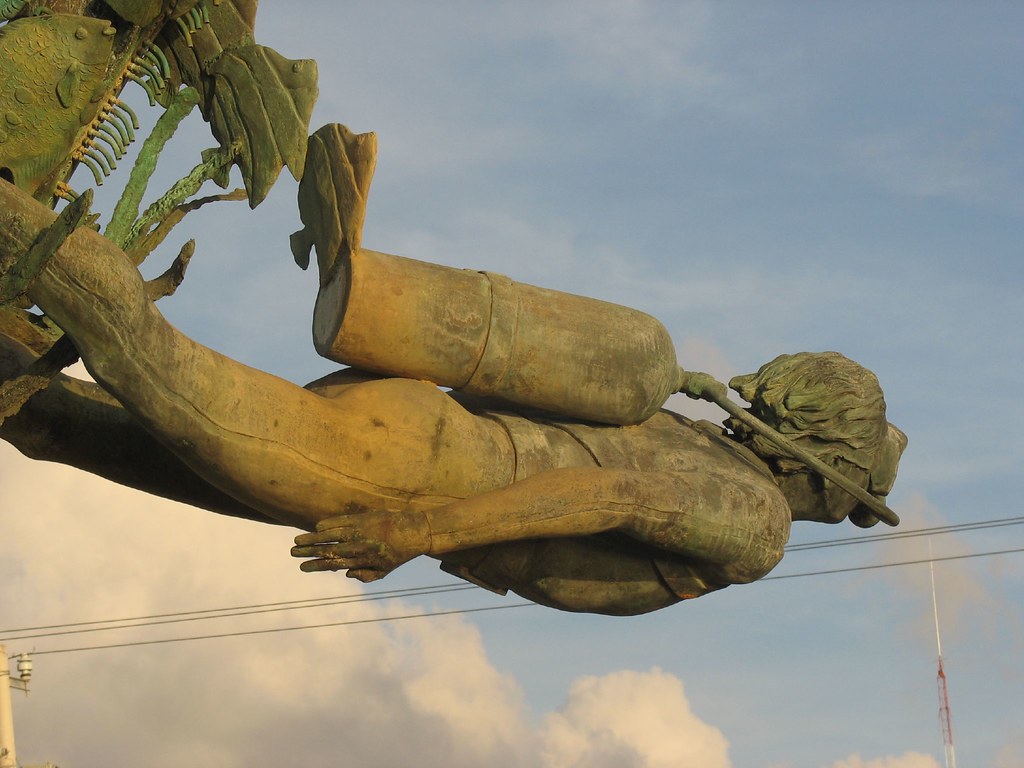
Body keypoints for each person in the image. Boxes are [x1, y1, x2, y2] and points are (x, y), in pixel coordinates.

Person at [0, 180, 905, 615]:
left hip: (415, 437)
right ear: (821, 462)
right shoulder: (757, 522)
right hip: (409, 477)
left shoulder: (682, 424)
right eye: (845, 493)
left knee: (65, 427)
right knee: (139, 351)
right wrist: (415, 536)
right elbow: (615, 495)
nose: (832, 511)